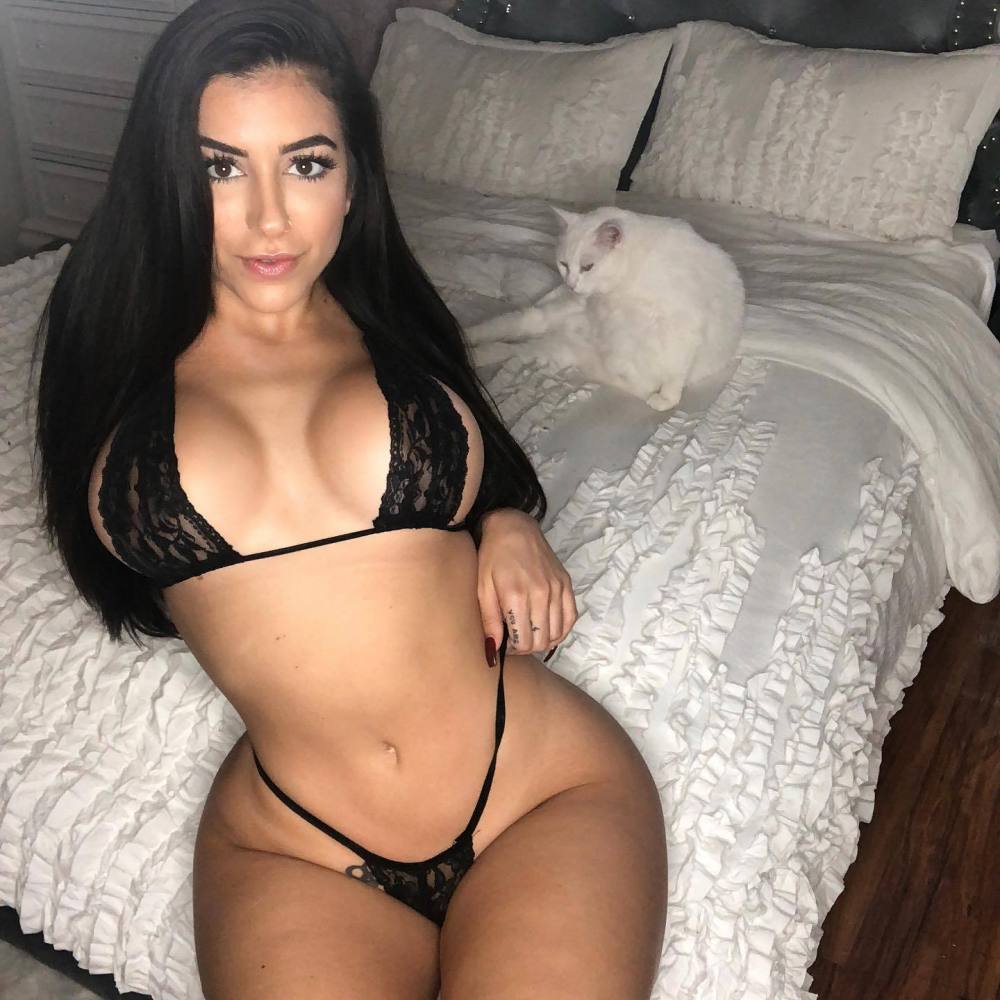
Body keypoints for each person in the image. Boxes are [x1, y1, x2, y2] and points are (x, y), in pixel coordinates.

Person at [30, 0, 668, 995]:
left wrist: (506, 519)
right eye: (220, 167)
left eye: (306, 164)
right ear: (166, 177)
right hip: (294, 843)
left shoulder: (395, 320)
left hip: (538, 787)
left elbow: (478, 463)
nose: (269, 218)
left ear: (353, 180)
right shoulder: (106, 341)